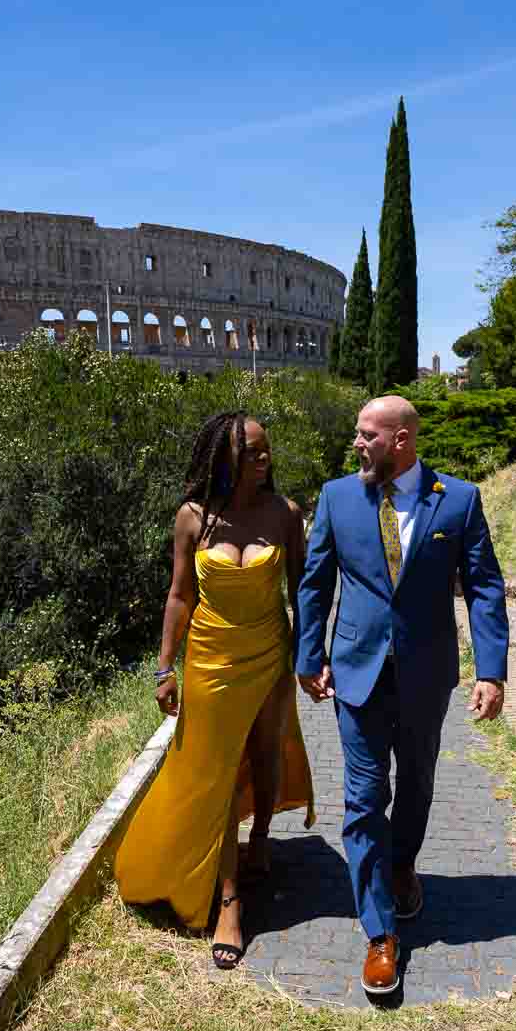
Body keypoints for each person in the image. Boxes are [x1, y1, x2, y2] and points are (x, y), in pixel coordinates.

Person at [296, 395, 508, 995]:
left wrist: (491, 671)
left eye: (368, 435)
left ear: (402, 441)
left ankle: (404, 863)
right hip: (356, 672)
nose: (357, 443)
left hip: (426, 672)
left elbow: (485, 587)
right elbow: (314, 584)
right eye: (358, 434)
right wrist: (308, 659)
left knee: (415, 782)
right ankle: (380, 934)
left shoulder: (458, 500)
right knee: (364, 799)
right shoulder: (338, 497)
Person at [115, 411, 315, 970]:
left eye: (266, 449)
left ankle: (264, 837)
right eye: (252, 451)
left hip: (271, 651)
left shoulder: (285, 513)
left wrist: (308, 655)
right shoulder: (194, 519)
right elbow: (179, 596)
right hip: (210, 659)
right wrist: (164, 667)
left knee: (265, 753)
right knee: (218, 771)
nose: (264, 458)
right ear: (223, 458)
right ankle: (229, 901)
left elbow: (303, 591)